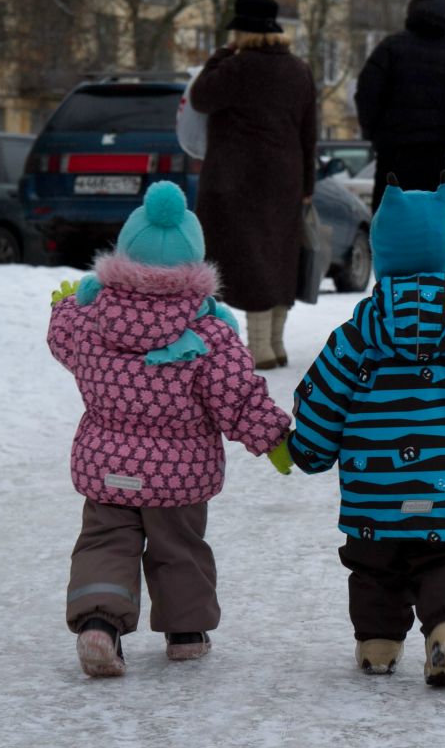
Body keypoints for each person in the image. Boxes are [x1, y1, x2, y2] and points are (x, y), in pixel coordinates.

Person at [281, 175, 445, 687]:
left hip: (374, 496)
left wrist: (306, 450)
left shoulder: (355, 338)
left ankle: (378, 643)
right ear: (443, 253)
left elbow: (322, 399)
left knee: (376, 566)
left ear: (381, 253)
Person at [47, 182, 292, 677]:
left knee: (104, 542)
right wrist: (277, 441)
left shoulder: (88, 319)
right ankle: (184, 633)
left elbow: (61, 337)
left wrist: (64, 306)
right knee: (179, 548)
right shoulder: (209, 333)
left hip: (107, 467)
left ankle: (99, 624)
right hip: (178, 477)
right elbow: (238, 397)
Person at [191, 0, 317, 370]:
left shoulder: (238, 66)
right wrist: (307, 184)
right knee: (279, 255)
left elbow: (200, 97)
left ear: (242, 32)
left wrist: (219, 55)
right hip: (287, 176)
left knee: (251, 258)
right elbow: (308, 133)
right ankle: (275, 345)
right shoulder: (299, 69)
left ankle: (259, 348)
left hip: (240, 178)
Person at [353, 0, 445, 212]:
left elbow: (366, 93)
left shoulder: (390, 49)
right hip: (433, 158)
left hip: (393, 154)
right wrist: (443, 135)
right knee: (429, 226)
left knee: (390, 227)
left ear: (413, 9)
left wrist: (377, 133)